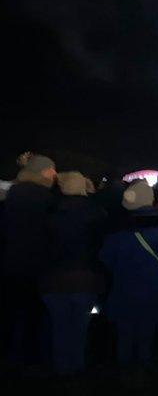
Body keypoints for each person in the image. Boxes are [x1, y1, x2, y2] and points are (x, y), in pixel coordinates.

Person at [99, 180, 158, 387]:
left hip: (123, 290)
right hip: (152, 290)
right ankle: (143, 368)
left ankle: (125, 371)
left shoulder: (117, 231)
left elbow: (106, 259)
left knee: (125, 333)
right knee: (146, 332)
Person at [40, 171, 105, 377]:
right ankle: (76, 368)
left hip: (54, 279)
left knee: (59, 327)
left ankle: (62, 369)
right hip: (85, 279)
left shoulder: (49, 214)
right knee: (80, 327)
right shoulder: (97, 213)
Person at [2, 152, 57, 371]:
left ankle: (9, 355)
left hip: (10, 262)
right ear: (42, 171)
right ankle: (32, 357)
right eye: (52, 170)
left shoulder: (10, 196)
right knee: (34, 313)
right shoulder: (47, 199)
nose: (55, 174)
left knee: (10, 311)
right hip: (38, 264)